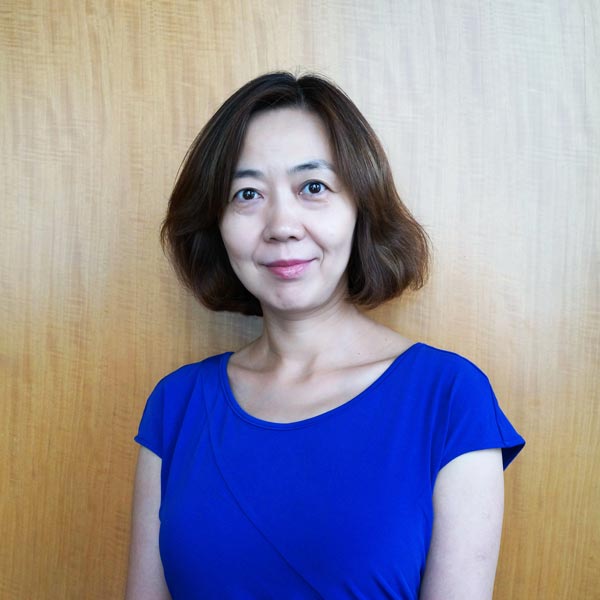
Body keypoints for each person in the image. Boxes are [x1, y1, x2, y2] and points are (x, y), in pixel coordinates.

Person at [125, 72, 525, 600]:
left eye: (313, 187)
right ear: (216, 224)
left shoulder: (448, 398)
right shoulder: (176, 406)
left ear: (361, 206)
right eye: (247, 194)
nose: (281, 224)